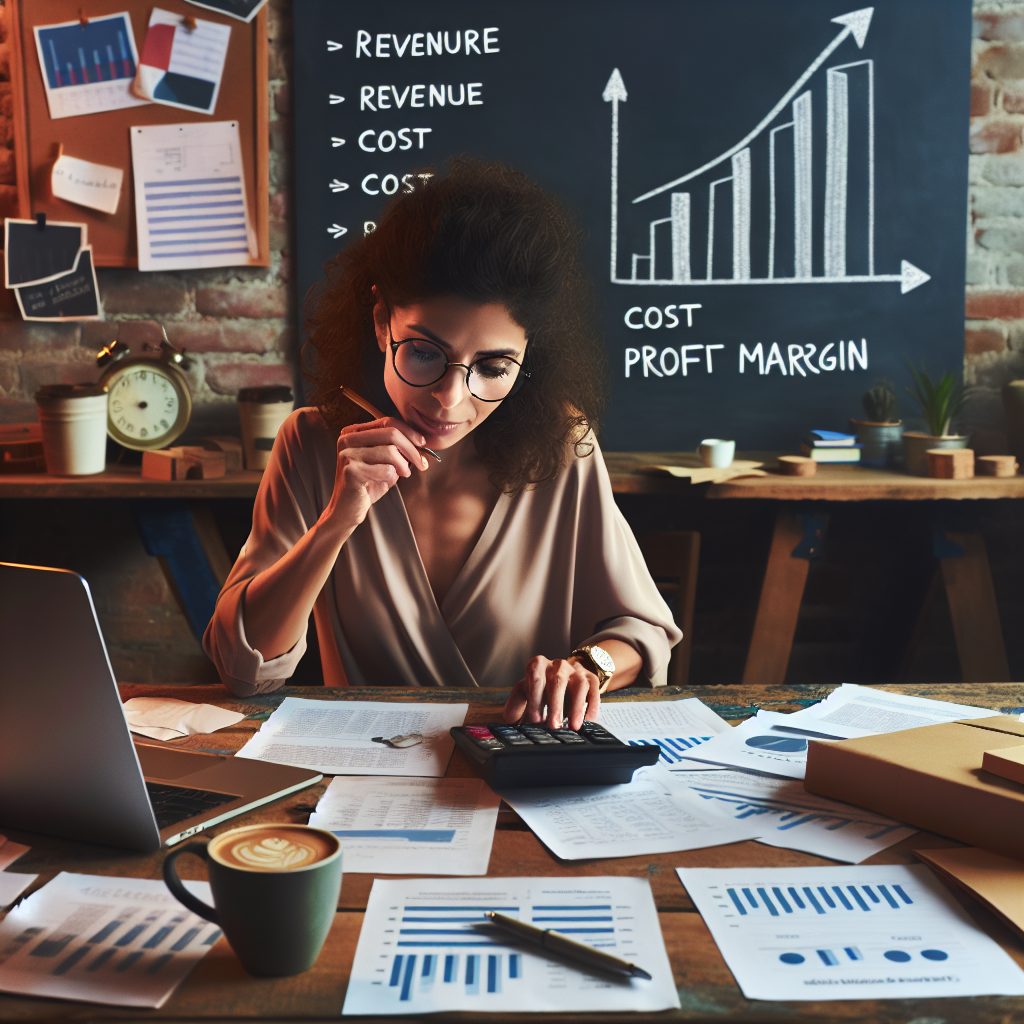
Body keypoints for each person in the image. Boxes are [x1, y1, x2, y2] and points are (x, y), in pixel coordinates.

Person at [204, 158, 681, 730]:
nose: (451, 400)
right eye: (425, 352)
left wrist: (587, 666)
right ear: (382, 322)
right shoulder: (309, 444)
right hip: (363, 776)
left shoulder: (560, 445)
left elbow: (644, 630)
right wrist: (337, 521)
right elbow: (244, 670)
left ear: (530, 357)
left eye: (494, 366)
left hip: (522, 771)